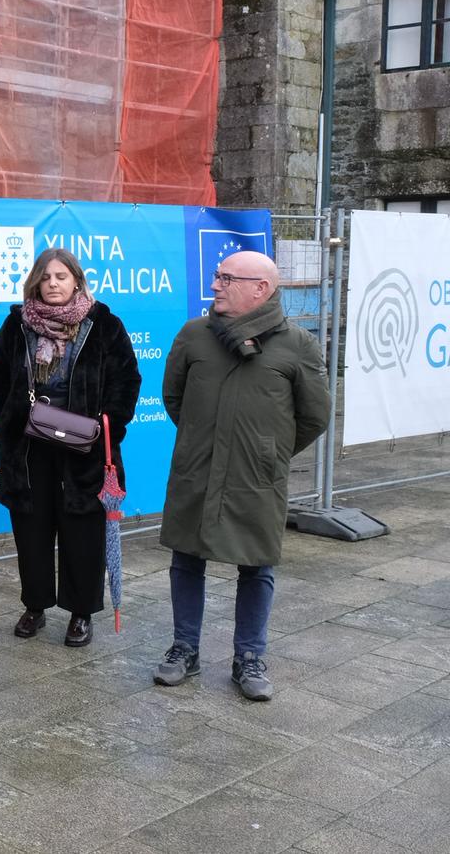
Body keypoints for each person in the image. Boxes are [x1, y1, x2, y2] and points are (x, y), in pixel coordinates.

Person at [153, 249, 329, 701]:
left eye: (226, 278)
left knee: (257, 565)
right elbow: (174, 397)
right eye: (217, 276)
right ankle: (184, 648)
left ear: (261, 289)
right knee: (186, 558)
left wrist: (267, 453)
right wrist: (204, 441)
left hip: (257, 476)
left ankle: (249, 657)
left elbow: (315, 416)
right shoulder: (194, 335)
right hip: (198, 469)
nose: (215, 285)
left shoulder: (297, 345)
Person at [0, 248, 141, 648]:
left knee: (82, 533)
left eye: (61, 277)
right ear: (35, 282)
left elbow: (127, 379)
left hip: (84, 450)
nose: (52, 284)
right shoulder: (18, 324)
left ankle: (81, 613)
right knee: (31, 531)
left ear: (77, 281)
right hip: (29, 449)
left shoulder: (103, 324)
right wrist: (5, 424)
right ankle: (35, 606)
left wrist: (106, 429)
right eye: (46, 277)